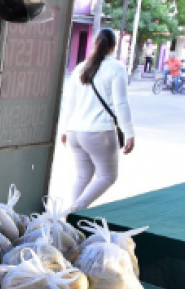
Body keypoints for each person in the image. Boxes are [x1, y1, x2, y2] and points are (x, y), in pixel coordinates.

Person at [58, 28, 135, 212]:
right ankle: (74, 210)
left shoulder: (80, 67)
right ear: (113, 47)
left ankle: (72, 221)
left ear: (95, 44)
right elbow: (121, 104)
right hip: (98, 132)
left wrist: (64, 129)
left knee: (83, 177)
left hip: (75, 132)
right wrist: (129, 133)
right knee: (108, 177)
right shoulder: (116, 68)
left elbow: (69, 103)